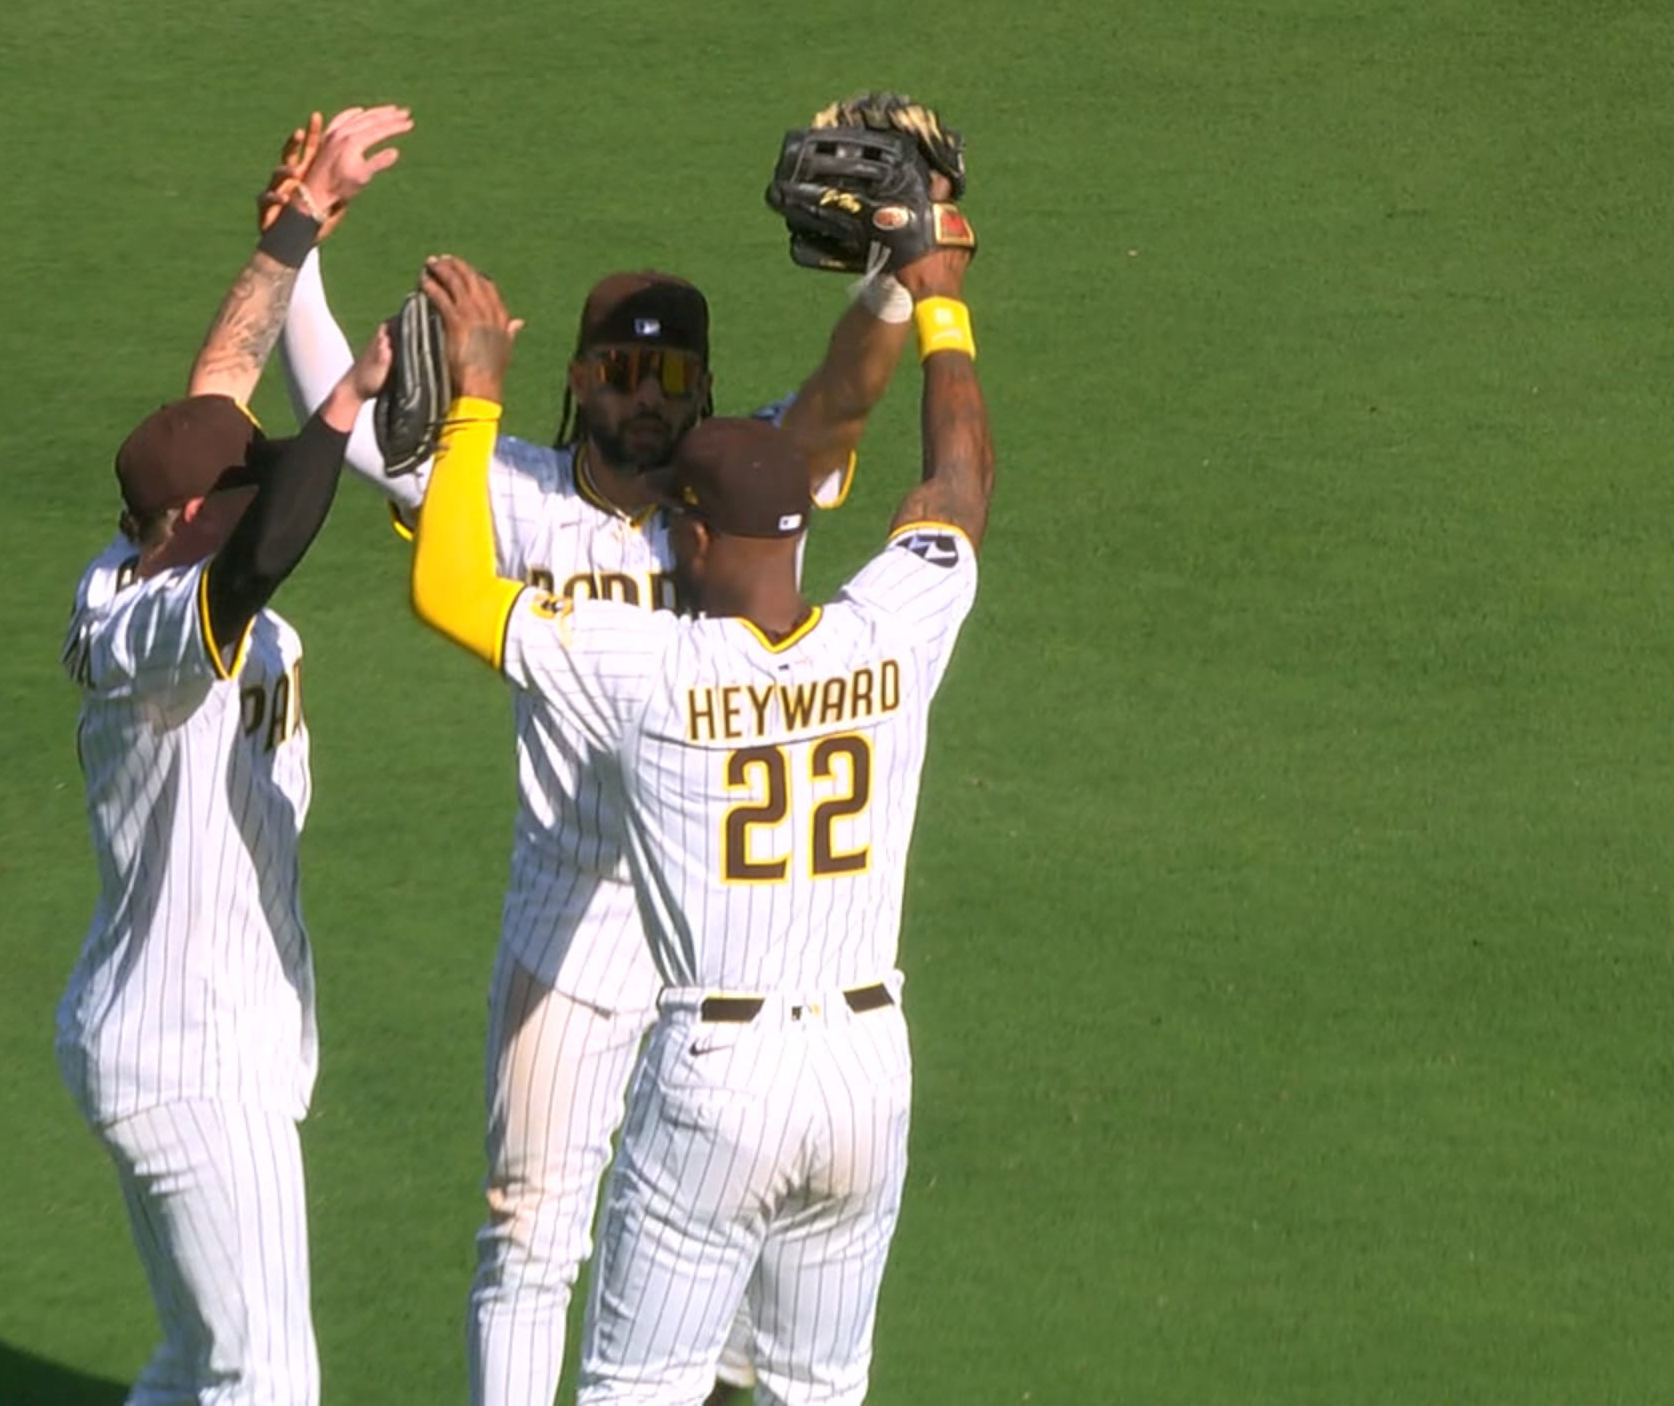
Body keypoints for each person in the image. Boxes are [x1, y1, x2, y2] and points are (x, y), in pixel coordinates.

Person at [266, 138, 927, 1406]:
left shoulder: (744, 488)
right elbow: (346, 420)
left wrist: (899, 281)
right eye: (623, 371)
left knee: (741, 1272)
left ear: (704, 387)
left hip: (732, 935)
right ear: (576, 377)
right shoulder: (508, 490)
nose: (648, 398)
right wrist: (297, 248)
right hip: (573, 921)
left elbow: (843, 400)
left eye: (672, 375)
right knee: (529, 1231)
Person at [404, 239, 991, 1405]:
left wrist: (474, 399)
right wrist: (941, 303)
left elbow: (449, 589)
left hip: (719, 1063)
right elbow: (957, 487)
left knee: (636, 1385)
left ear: (704, 540)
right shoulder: (890, 630)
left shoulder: (647, 669)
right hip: (866, 1064)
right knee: (812, 1386)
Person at [52, 104, 409, 1406]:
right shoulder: (154, 629)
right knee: (267, 1380)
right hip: (196, 1058)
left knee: (198, 1361)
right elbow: (265, 552)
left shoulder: (151, 536)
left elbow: (219, 379)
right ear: (195, 516)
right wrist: (347, 405)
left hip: (167, 1032)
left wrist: (300, 220)